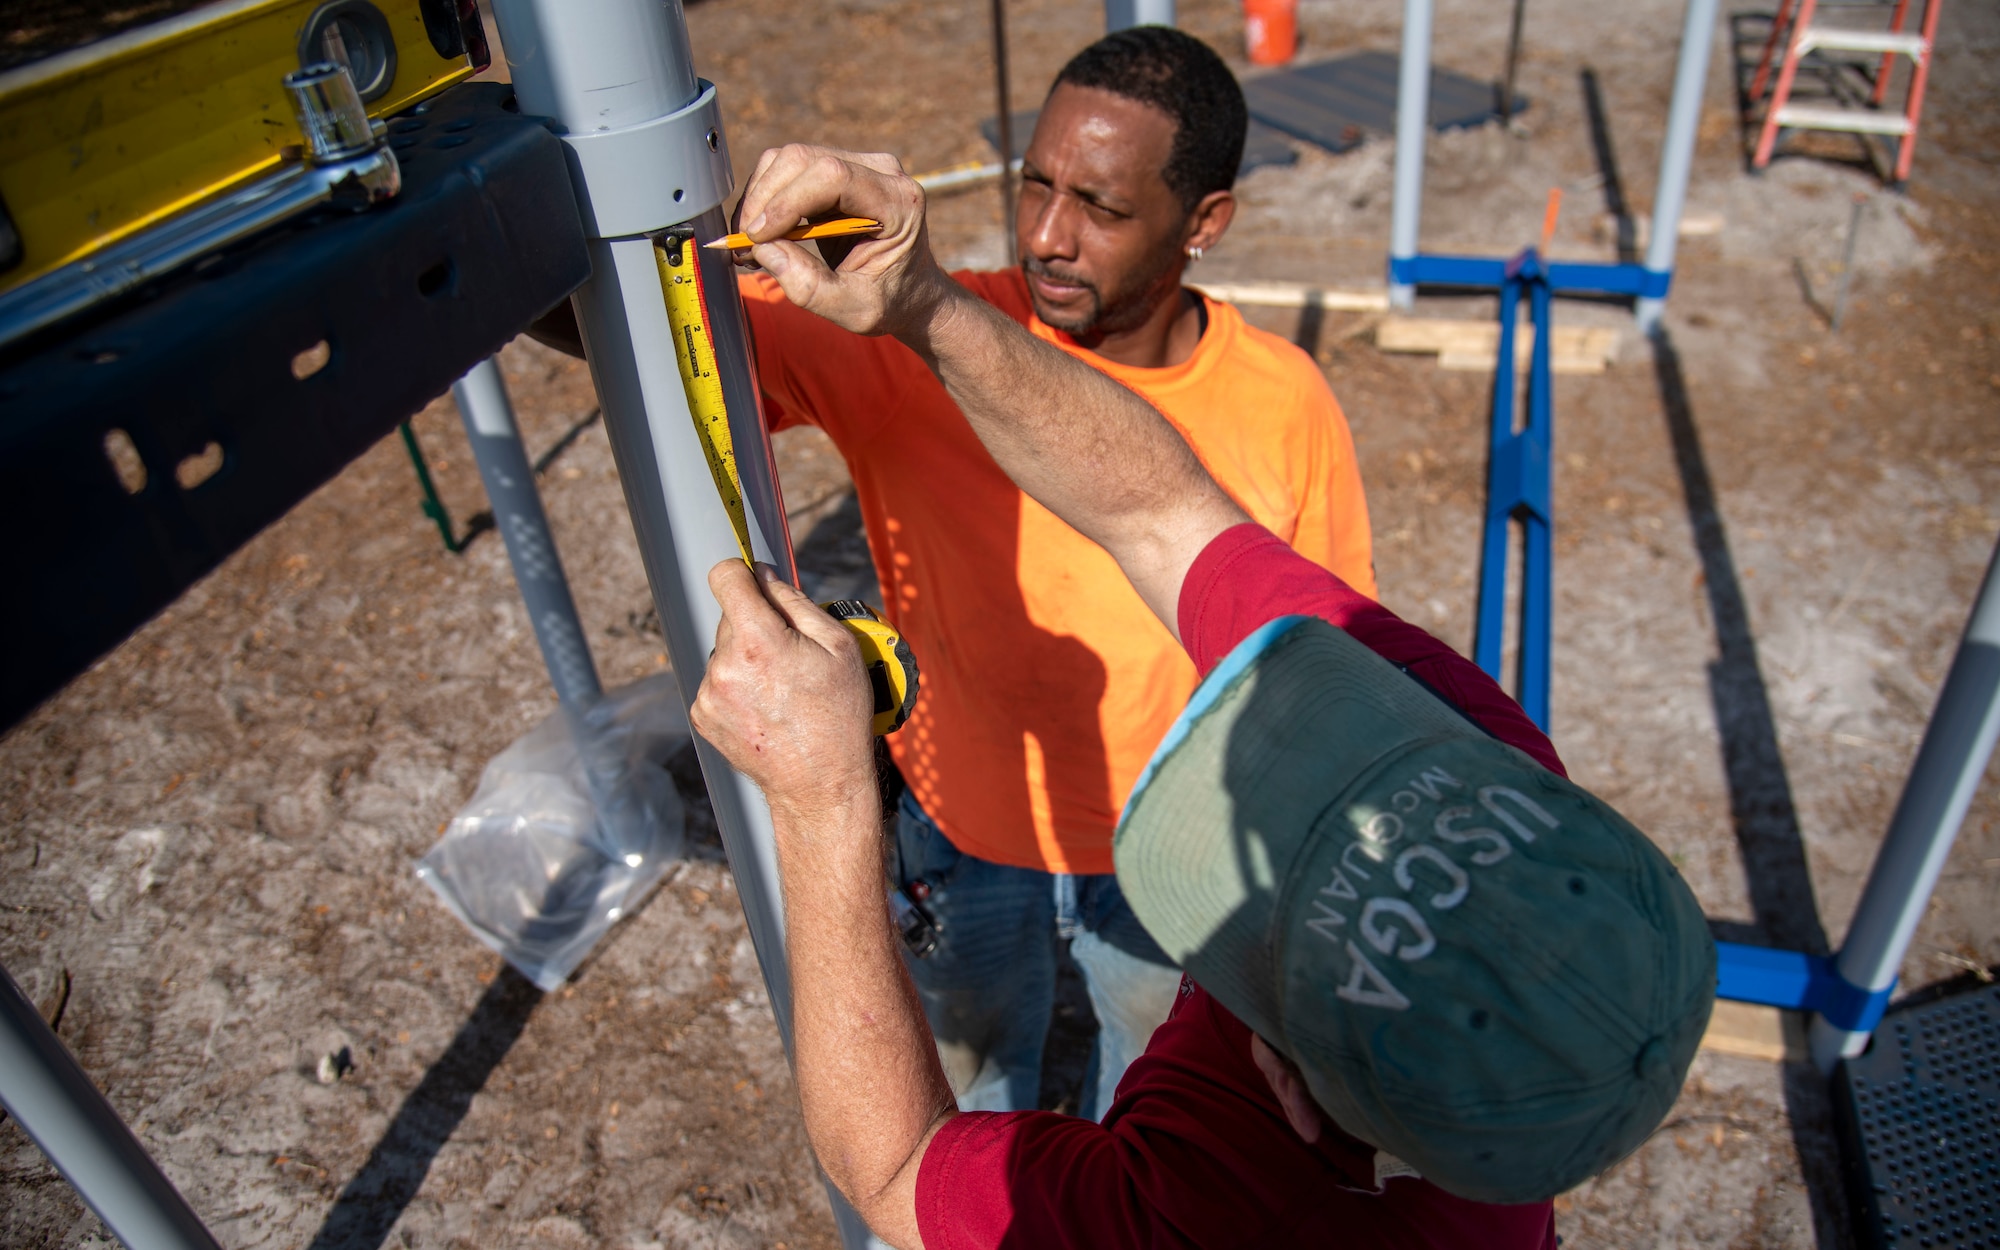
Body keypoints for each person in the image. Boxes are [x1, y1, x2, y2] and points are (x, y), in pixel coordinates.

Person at [689, 146, 1716, 1249]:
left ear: (1287, 1089)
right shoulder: (1475, 747)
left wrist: (822, 796)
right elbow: (1164, 512)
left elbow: (894, 1165)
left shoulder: (1206, 1208)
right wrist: (924, 302)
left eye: (1253, 921)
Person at [737, 26, 1376, 1120]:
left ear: (1205, 221)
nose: (1045, 235)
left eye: (1101, 207)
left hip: (1173, 860)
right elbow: (648, 326)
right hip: (960, 826)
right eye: (1033, 182)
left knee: (1152, 1090)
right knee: (981, 1086)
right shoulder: (906, 327)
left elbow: (1325, 669)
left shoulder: (1283, 401)